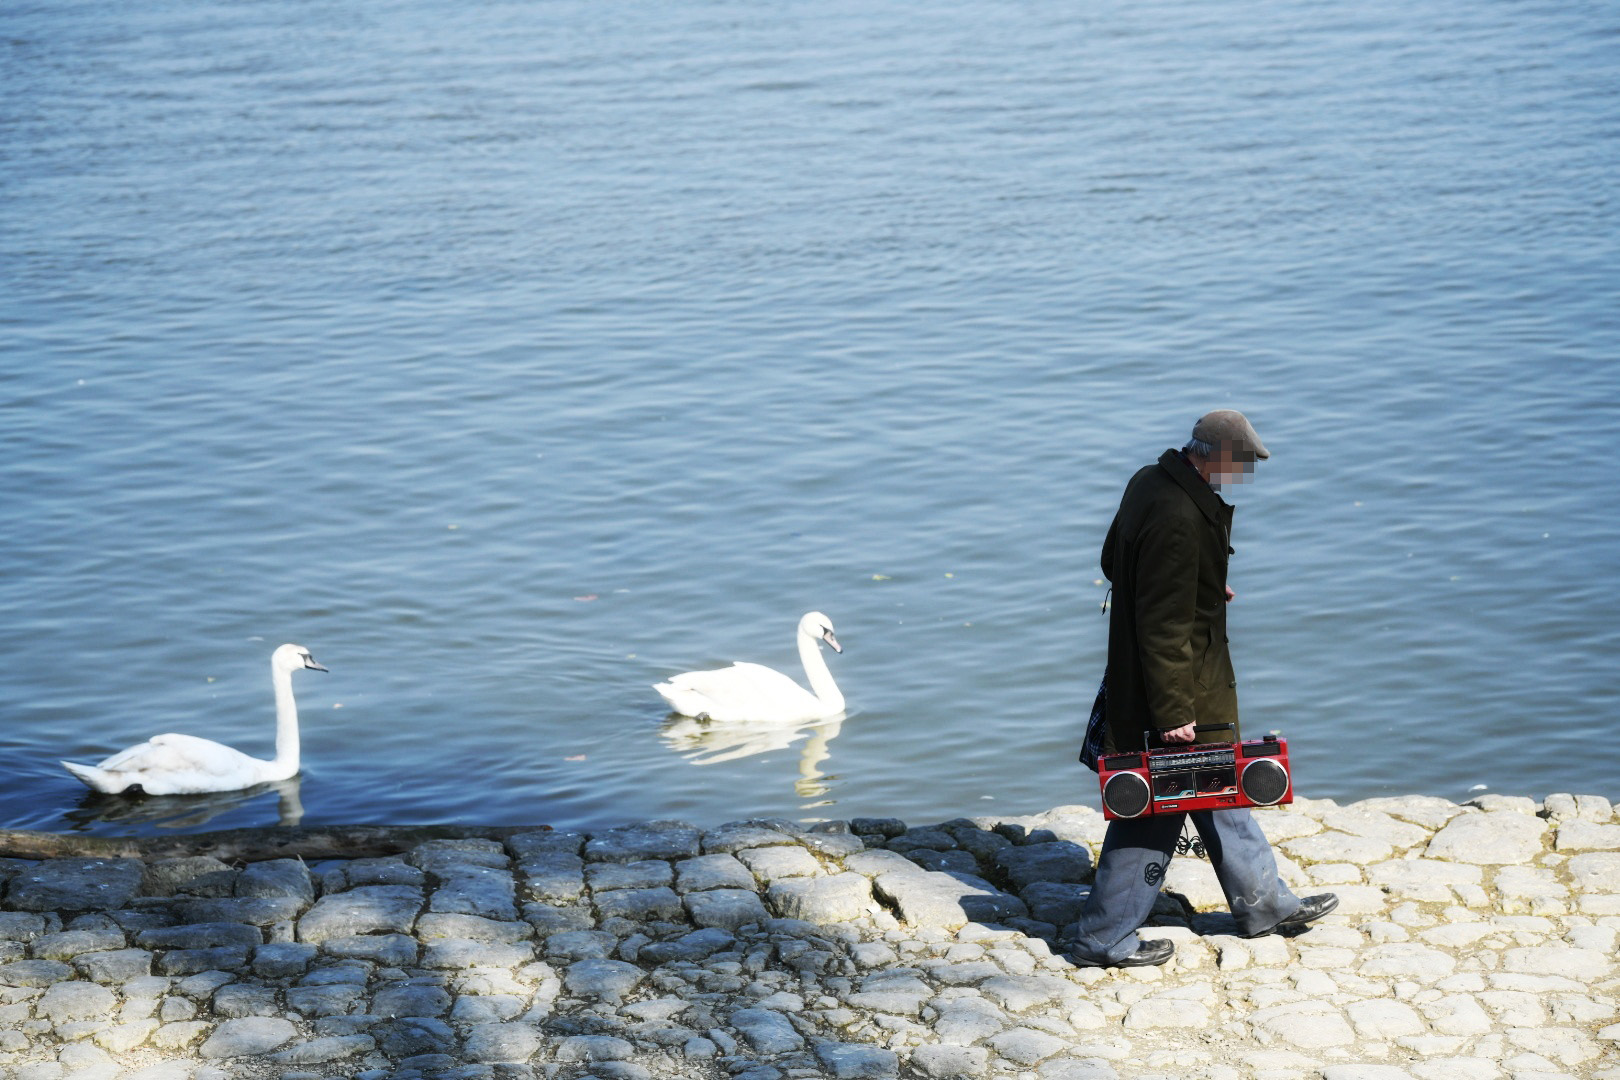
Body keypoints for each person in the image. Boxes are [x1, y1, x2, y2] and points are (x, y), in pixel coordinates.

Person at [1066, 410, 1337, 968]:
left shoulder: (1150, 480)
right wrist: (1173, 712)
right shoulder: (1179, 518)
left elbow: (1115, 558)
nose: (1242, 474)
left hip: (1171, 680)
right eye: (1240, 463)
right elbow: (1163, 626)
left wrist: (1205, 581)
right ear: (1211, 453)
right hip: (1177, 689)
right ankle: (1102, 938)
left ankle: (1265, 905)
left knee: (1218, 789)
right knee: (1156, 809)